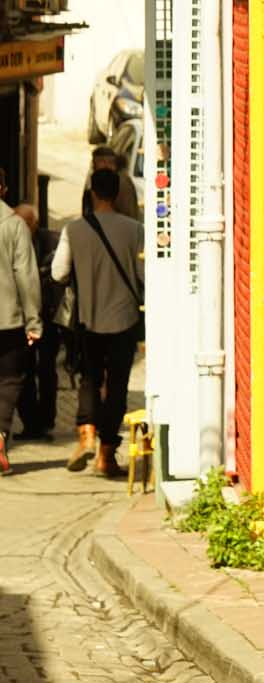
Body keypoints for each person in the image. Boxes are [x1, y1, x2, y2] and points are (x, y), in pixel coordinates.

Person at [53, 166, 144, 478]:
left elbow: (58, 273)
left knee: (89, 379)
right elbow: (144, 275)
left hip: (87, 319)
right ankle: (106, 455)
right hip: (124, 318)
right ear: (116, 194)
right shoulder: (135, 229)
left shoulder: (73, 230)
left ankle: (87, 435)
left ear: (92, 194)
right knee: (117, 385)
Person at [0, 200, 42, 476]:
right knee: (9, 379)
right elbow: (26, 276)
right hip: (7, 320)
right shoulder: (14, 225)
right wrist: (33, 321)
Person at [13, 205, 60, 443]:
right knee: (24, 370)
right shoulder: (11, 241)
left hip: (48, 316)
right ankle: (31, 423)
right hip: (21, 317)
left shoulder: (51, 242)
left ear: (34, 224)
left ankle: (46, 420)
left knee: (47, 368)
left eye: (25, 224)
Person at [85, 145, 139, 220]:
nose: (106, 165)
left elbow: (129, 214)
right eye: (101, 161)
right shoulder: (95, 180)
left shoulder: (121, 183)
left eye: (110, 162)